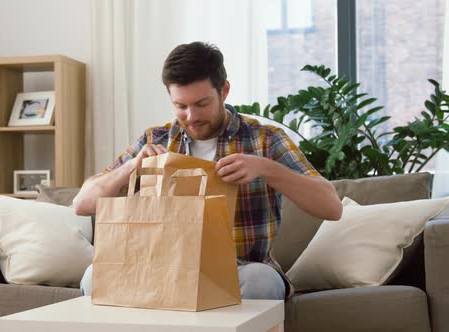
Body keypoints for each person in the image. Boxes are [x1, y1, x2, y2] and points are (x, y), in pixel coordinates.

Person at [73, 41, 343, 300]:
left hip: (238, 271)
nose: (191, 116)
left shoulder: (265, 140)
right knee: (93, 277)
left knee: (262, 282)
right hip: (160, 270)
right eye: (181, 106)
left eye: (202, 104)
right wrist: (133, 166)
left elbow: (332, 207)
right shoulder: (156, 139)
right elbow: (82, 204)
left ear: (224, 91)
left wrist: (265, 168)